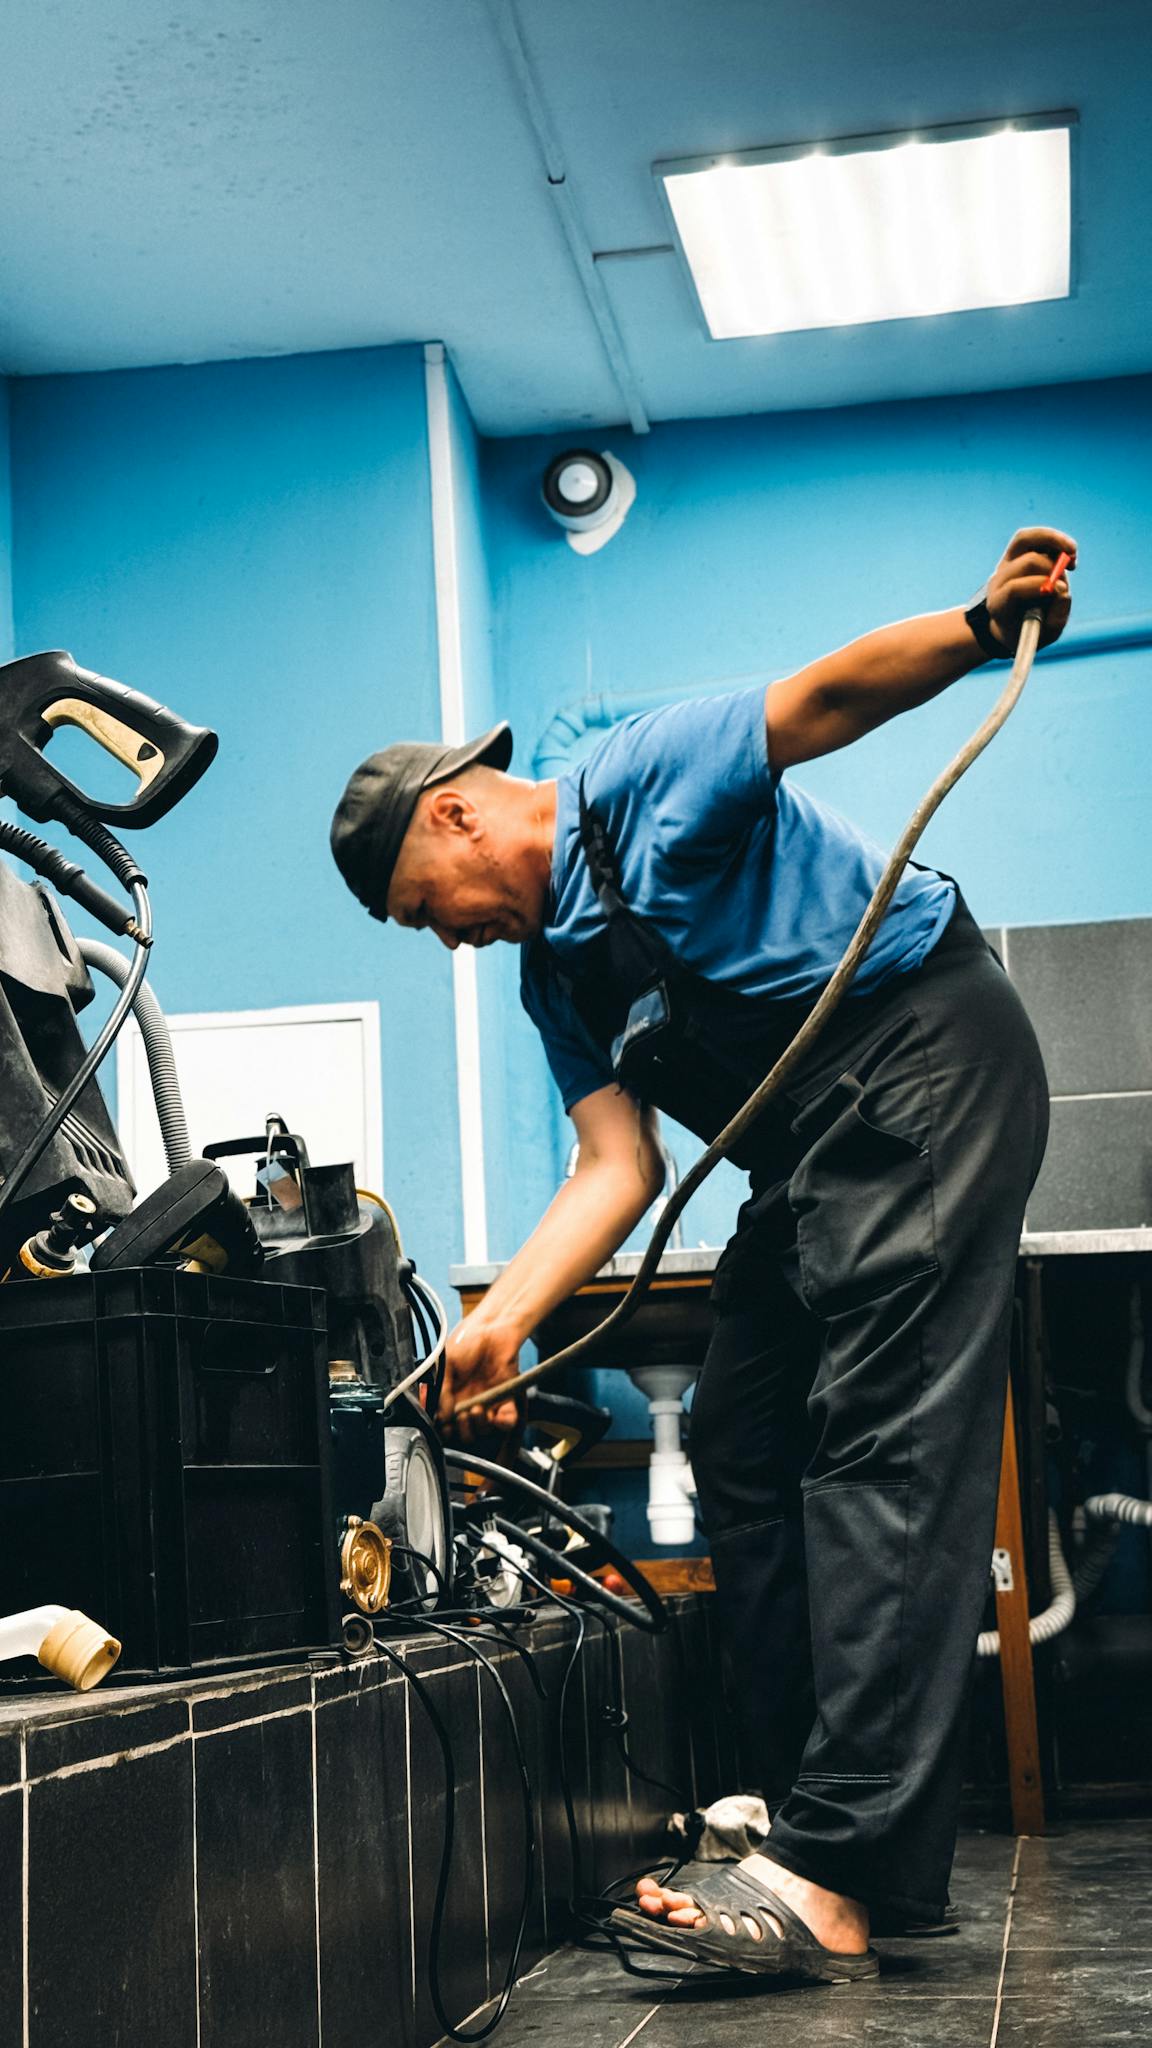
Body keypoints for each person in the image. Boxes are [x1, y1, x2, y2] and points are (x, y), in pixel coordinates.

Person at [330, 527, 1074, 1983]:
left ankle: (843, 1873)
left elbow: (826, 698)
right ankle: (797, 1814)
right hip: (805, 1149)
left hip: (921, 1051)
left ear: (460, 817)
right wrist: (496, 1327)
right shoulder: (558, 978)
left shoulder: (633, 775)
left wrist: (980, 627)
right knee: (741, 1439)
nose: (450, 945)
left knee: (878, 1451)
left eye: (429, 912)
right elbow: (619, 1166)